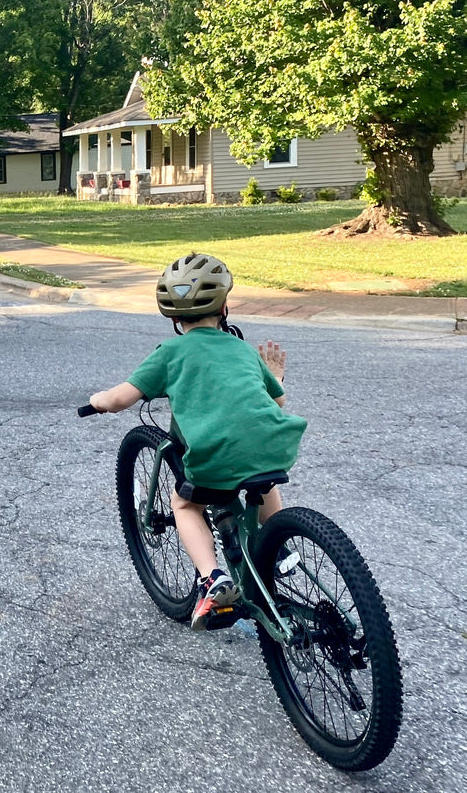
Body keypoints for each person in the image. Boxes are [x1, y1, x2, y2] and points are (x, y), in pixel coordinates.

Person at [86, 253, 306, 630]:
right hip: (276, 444)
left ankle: (211, 578)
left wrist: (98, 400)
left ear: (174, 319)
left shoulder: (171, 353)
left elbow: (120, 399)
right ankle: (276, 544)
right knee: (262, 475)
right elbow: (278, 401)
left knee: (184, 504)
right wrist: (276, 376)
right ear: (224, 308)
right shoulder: (242, 349)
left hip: (216, 457)